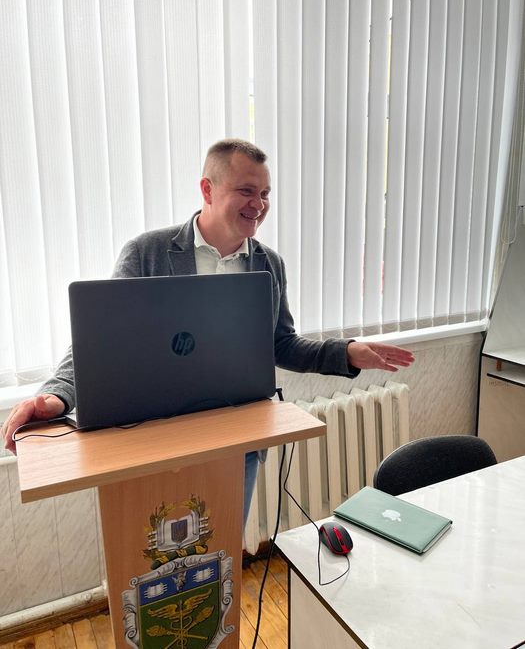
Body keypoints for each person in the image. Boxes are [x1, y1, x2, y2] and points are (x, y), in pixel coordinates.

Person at [2, 139, 414, 520]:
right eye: (246, 190)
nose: (259, 204)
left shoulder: (268, 264)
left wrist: (346, 352)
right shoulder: (147, 253)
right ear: (207, 189)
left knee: (220, 557)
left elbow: (281, 345)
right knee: (153, 558)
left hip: (237, 442)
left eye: (265, 193)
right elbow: (101, 339)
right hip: (153, 441)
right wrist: (57, 394)